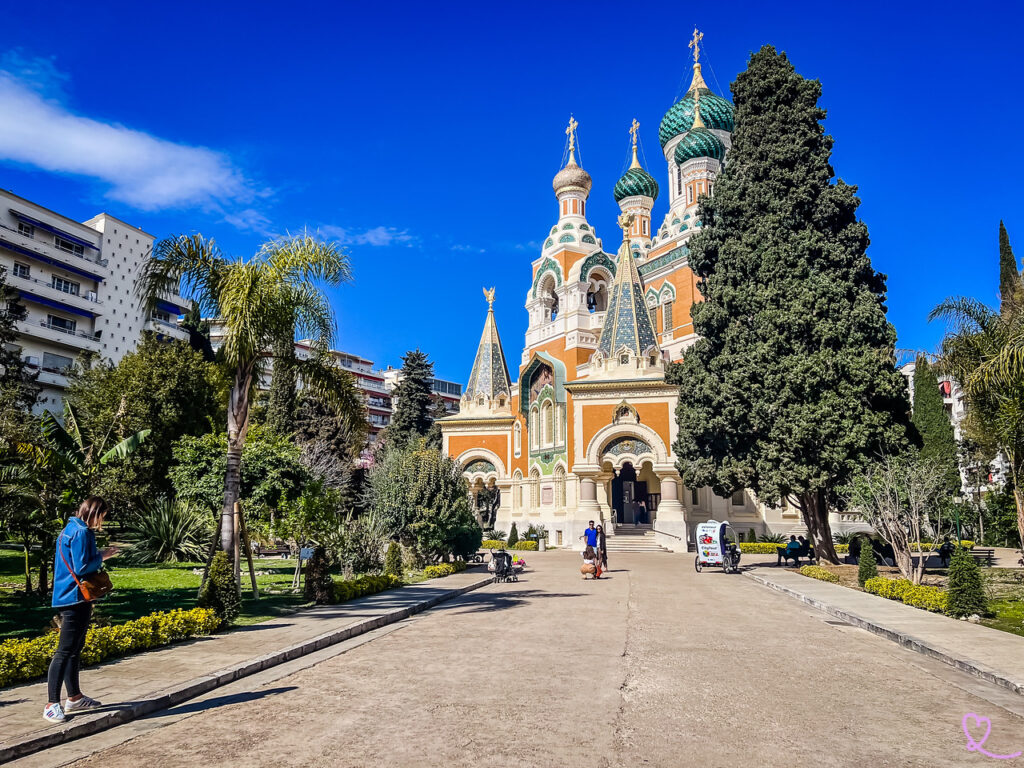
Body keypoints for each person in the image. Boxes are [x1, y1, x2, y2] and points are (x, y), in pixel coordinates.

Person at [44, 497, 119, 724]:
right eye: (102, 516)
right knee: (65, 651)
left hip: (70, 595)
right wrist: (104, 555)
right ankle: (51, 704)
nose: (102, 522)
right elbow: (82, 566)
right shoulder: (82, 532)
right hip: (74, 597)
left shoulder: (69, 529)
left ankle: (74, 697)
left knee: (74, 649)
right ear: (95, 513)